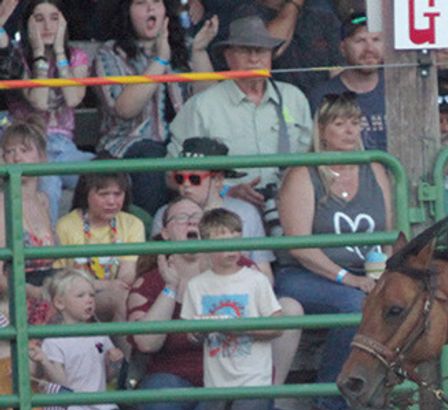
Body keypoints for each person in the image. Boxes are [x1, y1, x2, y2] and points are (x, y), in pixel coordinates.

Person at [275, 93, 395, 410]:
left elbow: (387, 234)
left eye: (354, 123)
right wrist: (349, 279)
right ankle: (331, 399)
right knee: (353, 305)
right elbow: (299, 244)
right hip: (305, 276)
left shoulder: (375, 169)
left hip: (365, 273)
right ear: (322, 131)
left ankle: (396, 395)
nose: (349, 131)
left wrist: (379, 272)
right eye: (339, 123)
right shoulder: (304, 173)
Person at [166, 14, 313, 211]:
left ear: (270, 56)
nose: (254, 58)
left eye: (261, 51)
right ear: (228, 56)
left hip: (289, 204)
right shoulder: (202, 106)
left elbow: (313, 160)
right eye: (245, 50)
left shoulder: (294, 98)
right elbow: (171, 174)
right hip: (224, 210)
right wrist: (226, 191)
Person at [94, 0, 218, 214]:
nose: (151, 9)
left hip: (180, 144)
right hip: (129, 146)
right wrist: (160, 60)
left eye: (156, 3)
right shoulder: (110, 53)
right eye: (141, 3)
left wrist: (199, 51)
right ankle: (154, 239)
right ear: (127, 13)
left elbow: (209, 101)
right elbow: (124, 109)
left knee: (204, 154)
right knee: (153, 156)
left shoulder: (184, 45)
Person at [180, 208, 282, 410]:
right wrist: (200, 331)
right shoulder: (197, 286)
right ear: (206, 246)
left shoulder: (256, 280)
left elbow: (278, 324)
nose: (231, 250)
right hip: (216, 383)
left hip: (253, 381)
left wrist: (240, 329)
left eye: (236, 242)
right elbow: (190, 334)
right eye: (222, 243)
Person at [126, 197, 208, 410]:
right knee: (161, 405)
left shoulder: (236, 270)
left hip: (226, 374)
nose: (191, 222)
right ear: (165, 233)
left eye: (198, 217)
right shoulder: (149, 282)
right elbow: (147, 343)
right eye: (181, 218)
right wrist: (170, 288)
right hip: (169, 377)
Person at [29, 269, 133, 410]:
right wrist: (44, 361)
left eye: (92, 295)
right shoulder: (54, 339)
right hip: (70, 406)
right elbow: (62, 384)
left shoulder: (99, 333)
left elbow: (108, 376)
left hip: (100, 402)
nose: (89, 300)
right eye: (80, 296)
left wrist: (114, 362)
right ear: (60, 303)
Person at [6, 0, 93, 222]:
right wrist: (39, 54)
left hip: (66, 150)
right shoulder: (17, 57)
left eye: (54, 19)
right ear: (27, 24)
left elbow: (73, 99)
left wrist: (59, 51)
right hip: (30, 146)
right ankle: (48, 253)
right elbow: (40, 101)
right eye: (39, 19)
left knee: (106, 174)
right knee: (49, 181)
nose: (47, 26)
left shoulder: (77, 56)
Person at [153, 137, 272, 276]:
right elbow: (158, 271)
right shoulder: (164, 214)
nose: (185, 185)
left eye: (194, 179)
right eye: (180, 178)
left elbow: (264, 272)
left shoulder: (246, 212)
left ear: (218, 180)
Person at [55, 170, 145, 323]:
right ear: (86, 194)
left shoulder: (133, 224)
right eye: (103, 194)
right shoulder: (65, 225)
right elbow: (60, 277)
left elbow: (128, 274)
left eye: (117, 194)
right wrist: (108, 285)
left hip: (118, 291)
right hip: (75, 296)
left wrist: (113, 287)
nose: (111, 201)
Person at [0, 259, 57, 410]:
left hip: (30, 402)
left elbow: (35, 371)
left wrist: (32, 365)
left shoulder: (28, 307)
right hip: (3, 402)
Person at [306, 12, 387, 152]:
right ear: (342, 48)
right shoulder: (322, 96)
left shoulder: (401, 90)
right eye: (360, 40)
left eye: (376, 40)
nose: (369, 48)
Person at [0, 121, 58, 292]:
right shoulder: (1, 205)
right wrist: (33, 292)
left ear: (42, 157)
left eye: (25, 151)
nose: (17, 158)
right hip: (19, 293)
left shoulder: (43, 200)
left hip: (49, 285)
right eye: (9, 152)